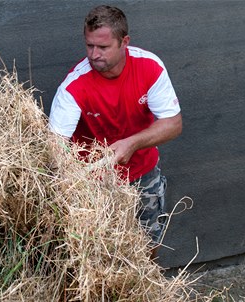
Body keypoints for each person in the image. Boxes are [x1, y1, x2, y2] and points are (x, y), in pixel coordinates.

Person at [48, 5, 182, 258]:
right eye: (89, 46)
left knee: (147, 245)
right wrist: (75, 180)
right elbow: (54, 145)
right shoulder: (73, 86)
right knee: (97, 256)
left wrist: (132, 143)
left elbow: (173, 124)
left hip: (143, 174)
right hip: (93, 182)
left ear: (124, 42)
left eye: (103, 47)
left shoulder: (149, 67)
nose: (94, 55)